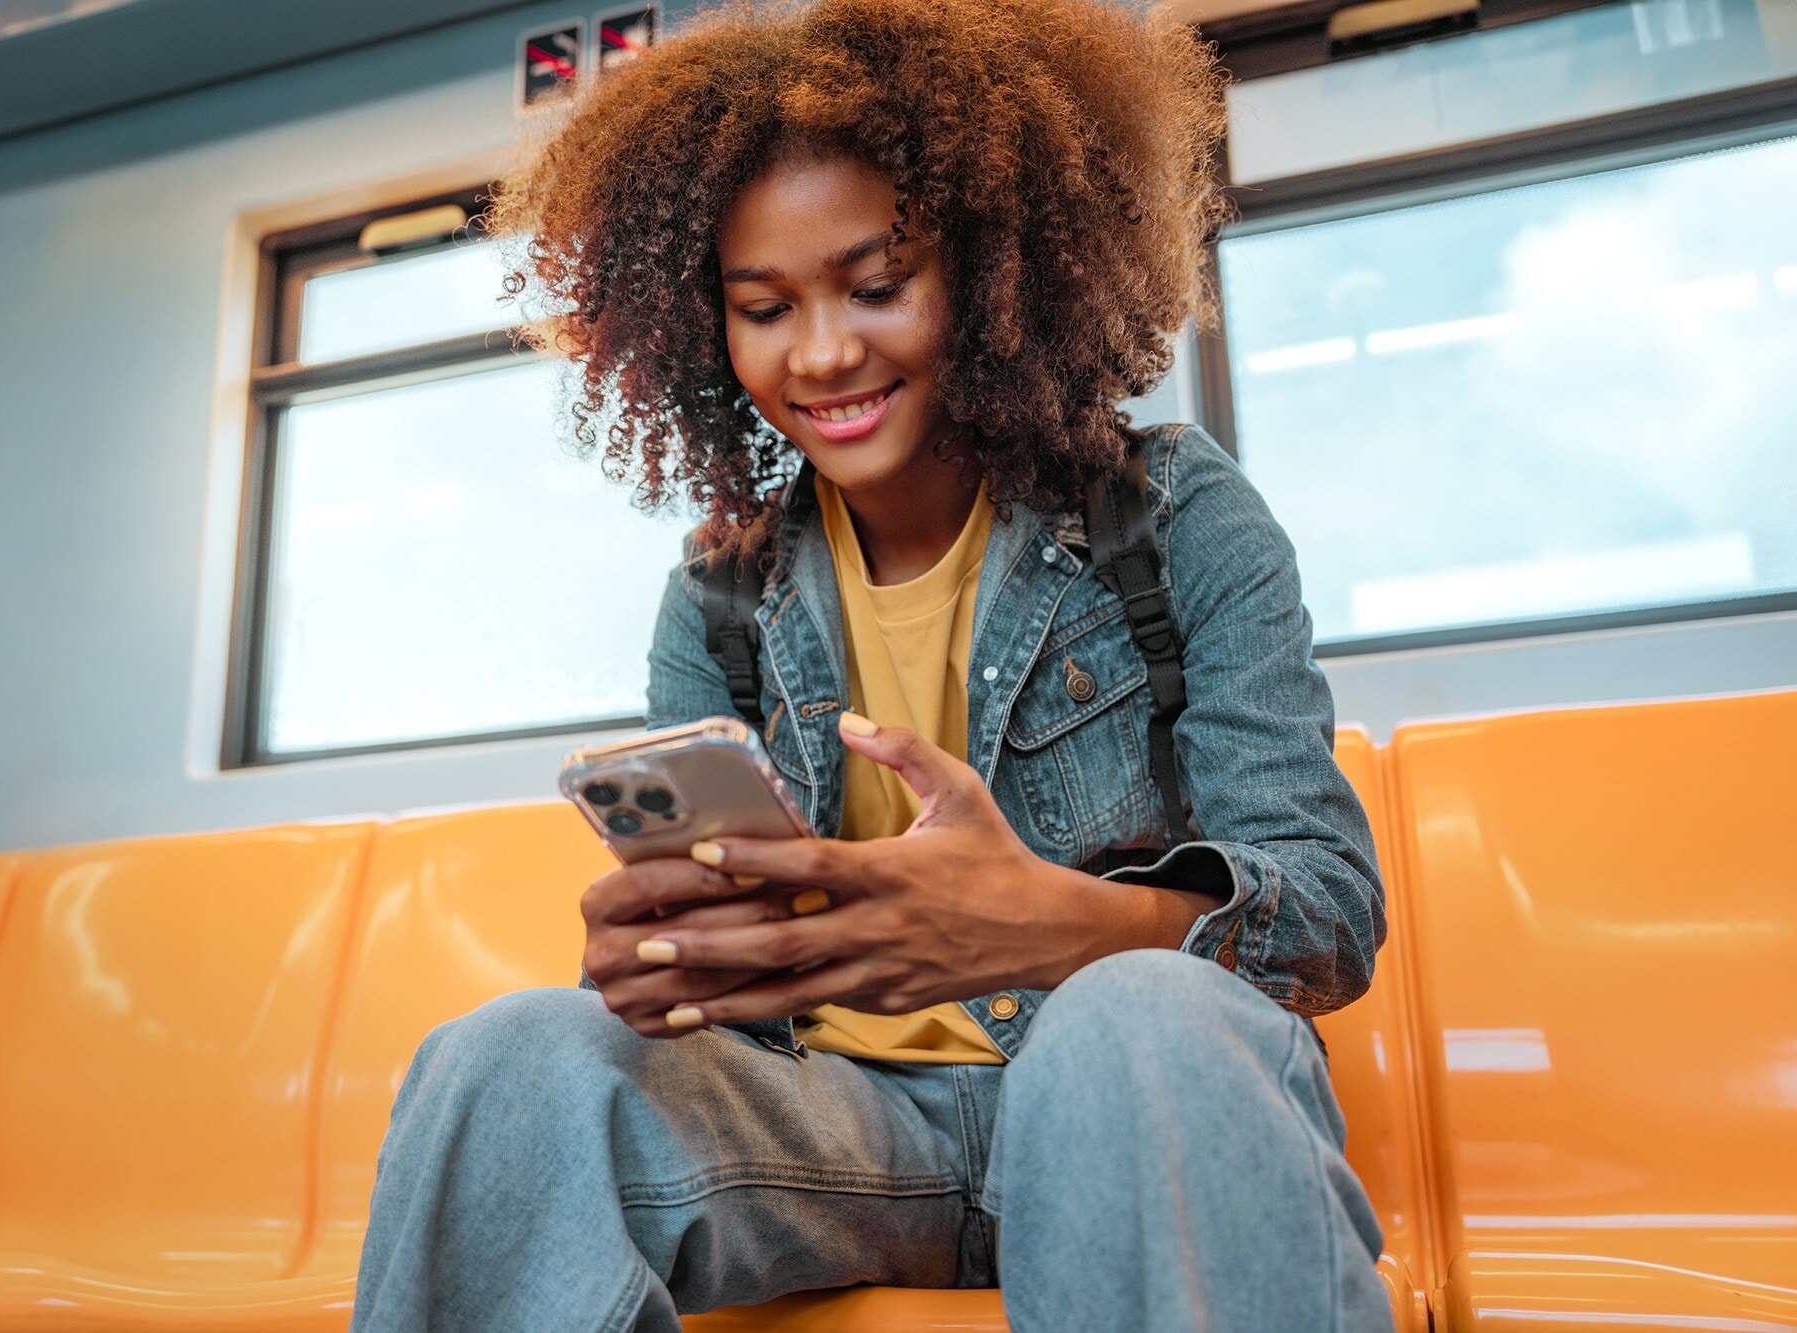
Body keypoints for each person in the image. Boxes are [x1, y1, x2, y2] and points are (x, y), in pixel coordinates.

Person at [351, 0, 1391, 1327]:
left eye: (877, 285)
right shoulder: (721, 595)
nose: (824, 351)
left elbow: (1326, 920)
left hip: (1121, 1109)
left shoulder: (1177, 517)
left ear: (992, 269)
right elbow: (724, 967)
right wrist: (672, 961)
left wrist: (1053, 924)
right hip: (840, 1137)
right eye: (765, 307)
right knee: (504, 1061)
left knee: (1137, 1016)